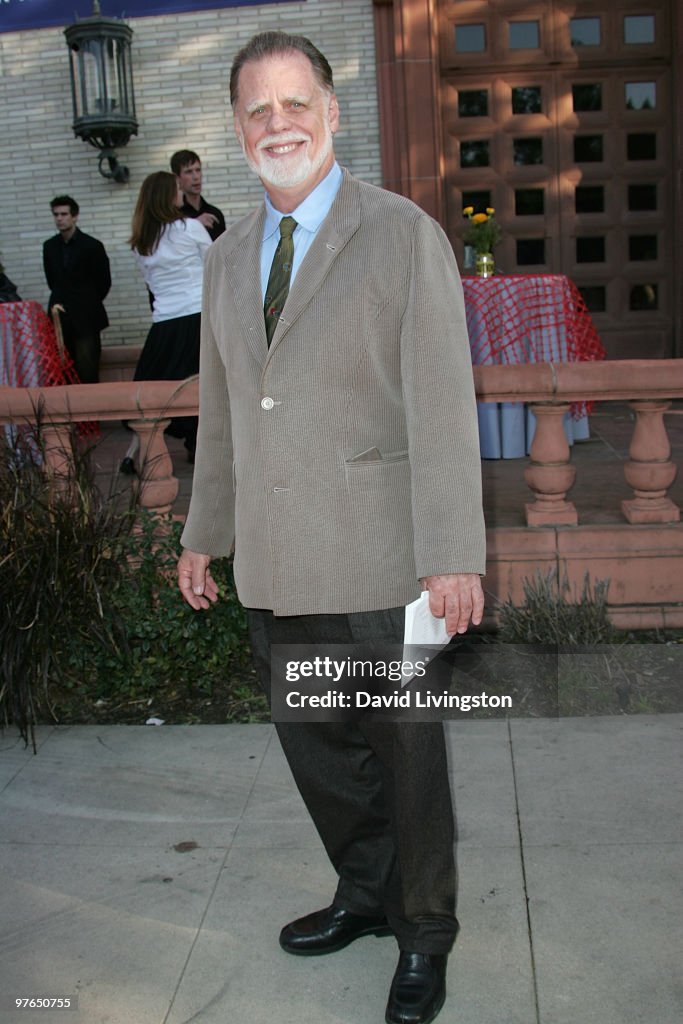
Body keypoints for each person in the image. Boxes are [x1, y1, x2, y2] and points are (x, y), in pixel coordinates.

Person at [176, 31, 486, 1024]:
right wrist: (201, 533)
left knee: (404, 761)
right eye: (257, 110)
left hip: (382, 562)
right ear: (236, 128)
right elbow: (224, 415)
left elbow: (440, 408)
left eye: (294, 102)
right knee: (320, 754)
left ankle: (422, 931)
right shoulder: (226, 262)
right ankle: (363, 893)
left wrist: (450, 557)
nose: (279, 124)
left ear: (331, 110)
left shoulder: (400, 235)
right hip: (275, 562)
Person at [121, 171, 211, 473]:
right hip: (198, 317)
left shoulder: (140, 242)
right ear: (167, 195)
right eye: (176, 189)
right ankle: (203, 449)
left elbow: (151, 284)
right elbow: (213, 268)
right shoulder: (189, 228)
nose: (180, 193)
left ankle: (135, 453)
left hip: (165, 324)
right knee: (204, 385)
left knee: (152, 390)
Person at [42, 196, 111, 383]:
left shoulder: (92, 246)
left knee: (87, 368)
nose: (59, 218)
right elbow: (53, 281)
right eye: (56, 214)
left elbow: (103, 282)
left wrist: (87, 302)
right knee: (62, 370)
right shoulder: (49, 247)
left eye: (64, 214)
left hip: (86, 317)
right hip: (60, 318)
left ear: (75, 216)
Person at [170, 149, 226, 241]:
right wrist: (195, 224)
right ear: (177, 178)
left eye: (198, 170)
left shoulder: (215, 213)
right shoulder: (173, 215)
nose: (196, 177)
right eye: (188, 172)